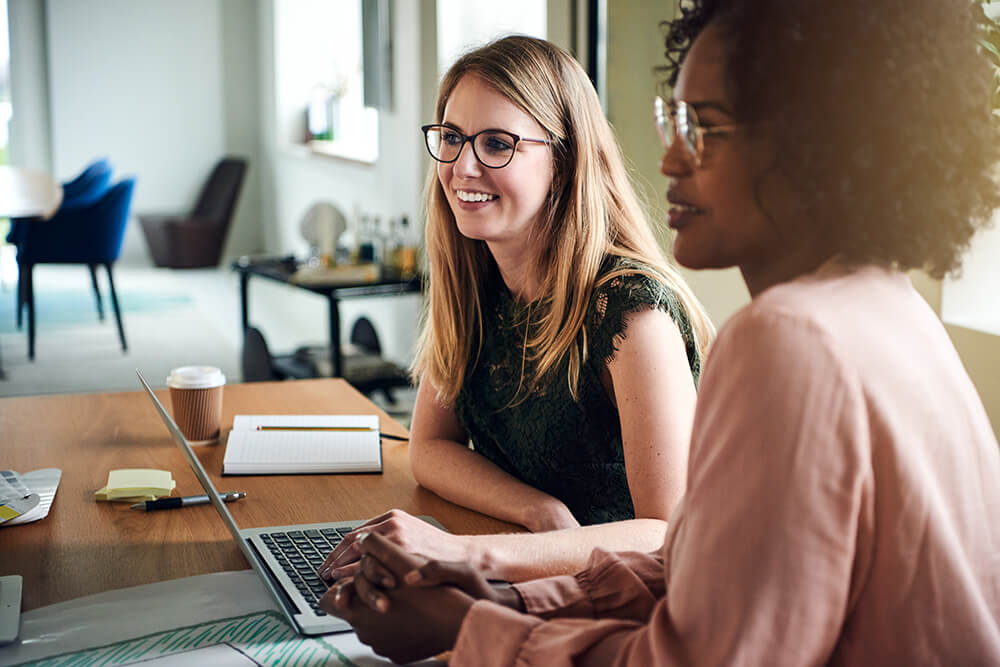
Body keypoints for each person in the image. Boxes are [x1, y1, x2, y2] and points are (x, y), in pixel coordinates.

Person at [319, 0, 1000, 664]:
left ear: (810, 144)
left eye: (702, 126)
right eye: (672, 119)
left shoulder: (788, 339)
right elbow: (699, 572)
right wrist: (516, 602)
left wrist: (474, 623)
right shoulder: (891, 305)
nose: (670, 158)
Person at [320, 35, 714, 583]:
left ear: (565, 157)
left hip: (616, 601)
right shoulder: (474, 275)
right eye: (453, 138)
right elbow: (430, 448)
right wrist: (537, 510)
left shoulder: (630, 309)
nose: (463, 167)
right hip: (528, 572)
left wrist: (464, 554)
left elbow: (669, 530)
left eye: (498, 144)